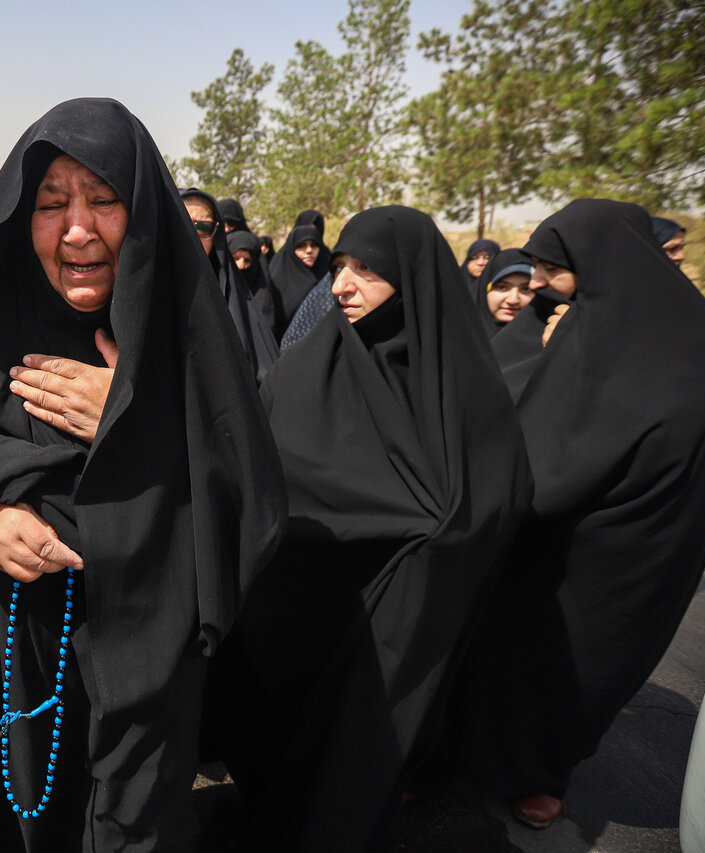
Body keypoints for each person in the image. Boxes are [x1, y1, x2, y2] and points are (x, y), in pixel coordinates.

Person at [0, 97, 284, 852]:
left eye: (103, 199)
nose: (78, 228)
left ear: (144, 215)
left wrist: (139, 422)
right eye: (52, 203)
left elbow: (250, 508)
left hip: (147, 672)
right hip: (2, 652)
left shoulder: (190, 341)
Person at [212, 205, 532, 851]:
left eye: (366, 270)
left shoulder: (459, 380)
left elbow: (497, 493)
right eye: (340, 266)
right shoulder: (309, 365)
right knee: (277, 753)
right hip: (301, 606)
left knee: (349, 773)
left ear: (411, 279)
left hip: (393, 624)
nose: (342, 285)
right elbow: (261, 469)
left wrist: (432, 539)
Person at [452, 199, 705, 830]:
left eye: (552, 267)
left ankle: (544, 774)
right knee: (508, 647)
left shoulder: (694, 337)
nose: (539, 282)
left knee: (586, 665)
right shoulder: (569, 318)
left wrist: (572, 356)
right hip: (551, 530)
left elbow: (653, 428)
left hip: (637, 539)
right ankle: (466, 753)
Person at [178, 188, 277, 384]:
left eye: (203, 227)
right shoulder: (139, 294)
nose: (192, 235)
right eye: (181, 222)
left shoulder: (232, 297)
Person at [268, 209, 333, 343]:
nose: (309, 250)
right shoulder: (278, 275)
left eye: (314, 245)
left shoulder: (327, 269)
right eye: (302, 246)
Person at [475, 248, 534, 335]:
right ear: (484, 291)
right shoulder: (462, 334)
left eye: (525, 289)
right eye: (502, 287)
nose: (513, 300)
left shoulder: (548, 338)